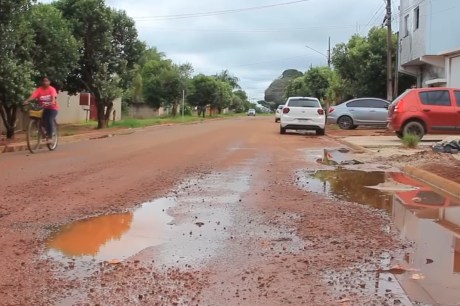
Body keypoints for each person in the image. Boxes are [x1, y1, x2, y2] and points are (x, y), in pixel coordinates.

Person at [24, 77, 58, 142]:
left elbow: (53, 96)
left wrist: (53, 101)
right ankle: (44, 133)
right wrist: (27, 101)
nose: (45, 82)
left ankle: (50, 136)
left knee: (49, 119)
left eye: (47, 81)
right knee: (39, 119)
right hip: (43, 108)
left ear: (49, 82)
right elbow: (33, 96)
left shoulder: (52, 89)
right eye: (44, 81)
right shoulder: (39, 89)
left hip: (52, 108)